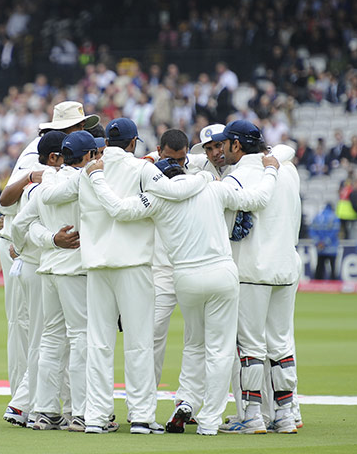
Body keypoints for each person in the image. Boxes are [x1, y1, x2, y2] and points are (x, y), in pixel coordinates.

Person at [85, 153, 280, 435]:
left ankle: (187, 398)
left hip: (186, 277)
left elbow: (117, 209)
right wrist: (271, 170)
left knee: (194, 344)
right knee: (220, 349)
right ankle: (210, 421)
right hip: (222, 272)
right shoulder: (213, 187)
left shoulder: (158, 199)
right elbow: (258, 199)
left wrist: (96, 176)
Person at [77, 118, 211, 435]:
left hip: (97, 265)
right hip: (133, 265)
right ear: (134, 142)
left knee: (98, 342)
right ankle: (140, 416)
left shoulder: (88, 169)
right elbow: (174, 192)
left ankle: (95, 416)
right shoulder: (141, 169)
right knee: (139, 343)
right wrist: (205, 178)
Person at [0, 101, 98, 427]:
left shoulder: (46, 181)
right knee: (74, 338)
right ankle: (77, 412)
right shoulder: (50, 169)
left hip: (44, 264)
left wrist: (44, 240)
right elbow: (6, 207)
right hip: (58, 266)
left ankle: (43, 411)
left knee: (50, 338)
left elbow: (18, 224)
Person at [210, 120, 302, 435]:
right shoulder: (286, 170)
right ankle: (286, 414)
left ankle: (252, 414)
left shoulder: (237, 177)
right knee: (281, 343)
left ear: (237, 145)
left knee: (250, 346)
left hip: (251, 269)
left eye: (225, 144)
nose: (220, 150)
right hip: (286, 266)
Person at [6, 130, 69, 429]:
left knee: (42, 339)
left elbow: (10, 213)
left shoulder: (39, 182)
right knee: (43, 341)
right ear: (54, 157)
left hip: (32, 264)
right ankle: (25, 405)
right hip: (37, 265)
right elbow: (19, 223)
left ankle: (29, 405)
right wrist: (21, 246)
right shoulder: (42, 184)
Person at [309, 204, 340, 280]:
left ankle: (317, 286)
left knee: (320, 267)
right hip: (332, 247)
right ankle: (334, 284)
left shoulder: (317, 217)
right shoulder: (334, 217)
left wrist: (318, 242)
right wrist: (326, 242)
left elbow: (312, 230)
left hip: (320, 248)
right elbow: (335, 232)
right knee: (333, 268)